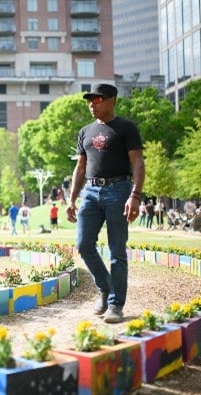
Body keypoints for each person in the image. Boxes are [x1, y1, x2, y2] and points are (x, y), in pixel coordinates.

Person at [66, 84, 145, 324]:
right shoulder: (85, 131)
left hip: (118, 190)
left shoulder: (126, 127)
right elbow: (80, 167)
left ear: (112, 100)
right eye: (89, 100)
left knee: (116, 251)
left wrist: (135, 195)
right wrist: (71, 199)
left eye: (97, 100)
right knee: (83, 245)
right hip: (90, 191)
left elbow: (138, 163)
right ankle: (105, 287)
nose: (92, 104)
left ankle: (115, 305)